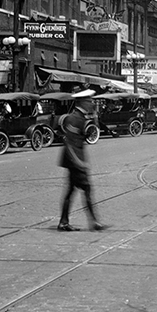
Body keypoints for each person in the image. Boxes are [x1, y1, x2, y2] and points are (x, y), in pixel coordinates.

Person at [58, 93, 105, 232]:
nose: (91, 103)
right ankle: (95, 222)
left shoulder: (81, 117)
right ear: (82, 103)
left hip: (75, 161)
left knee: (71, 191)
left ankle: (64, 222)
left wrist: (95, 117)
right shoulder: (74, 118)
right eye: (89, 101)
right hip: (75, 161)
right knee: (87, 189)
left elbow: (87, 135)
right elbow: (69, 144)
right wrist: (79, 162)